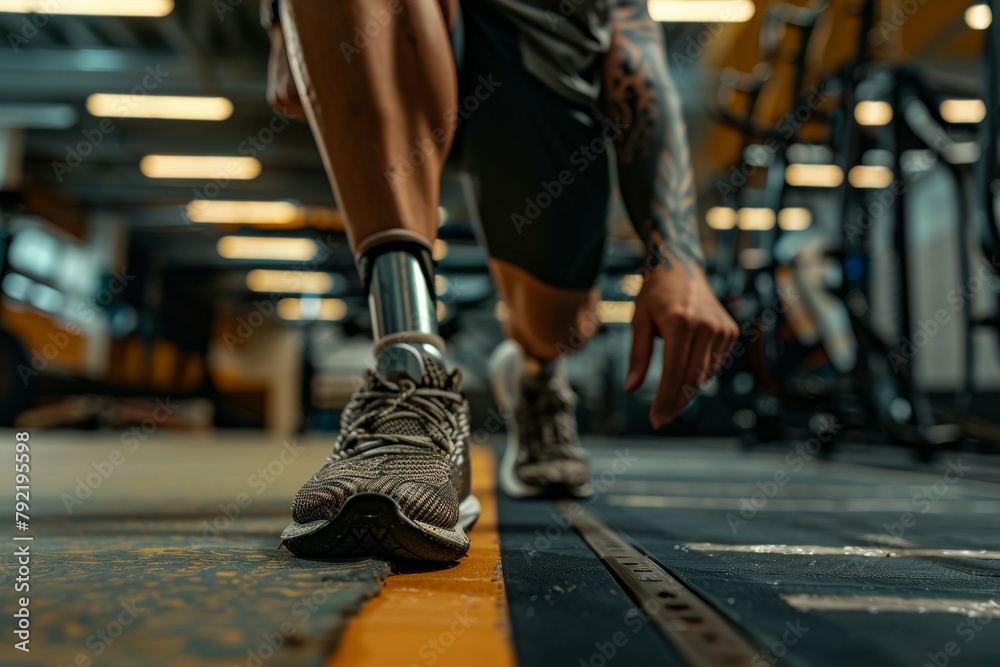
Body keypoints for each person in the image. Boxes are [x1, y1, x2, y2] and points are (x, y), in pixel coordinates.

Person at [263, 0, 738, 562]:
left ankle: (537, 375)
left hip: (542, 55)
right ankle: (410, 374)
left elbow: (632, 41)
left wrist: (677, 257)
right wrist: (283, 21)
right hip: (397, 26)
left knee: (559, 325)